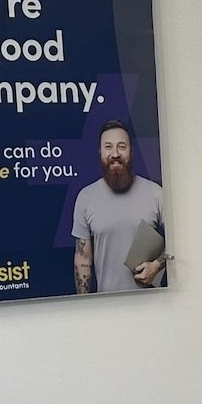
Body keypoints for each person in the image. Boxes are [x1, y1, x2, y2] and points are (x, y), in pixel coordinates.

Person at [72, 120, 167, 293]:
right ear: (100, 152)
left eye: (121, 147)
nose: (115, 153)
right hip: (107, 305)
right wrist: (83, 304)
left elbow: (179, 242)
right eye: (108, 147)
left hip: (153, 304)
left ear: (131, 152)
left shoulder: (156, 193)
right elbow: (83, 260)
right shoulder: (86, 198)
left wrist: (156, 265)